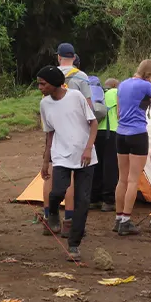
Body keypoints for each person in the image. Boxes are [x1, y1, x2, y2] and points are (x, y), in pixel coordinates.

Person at [37, 65, 97, 262]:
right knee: (57, 191)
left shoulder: (76, 97)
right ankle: (52, 212)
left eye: (43, 84)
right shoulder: (45, 104)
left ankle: (73, 245)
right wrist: (46, 160)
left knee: (83, 201)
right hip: (61, 154)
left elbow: (93, 123)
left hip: (85, 155)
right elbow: (50, 133)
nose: (40, 87)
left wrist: (88, 148)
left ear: (54, 83)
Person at [114, 59, 151, 235]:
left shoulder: (122, 84)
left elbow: (118, 111)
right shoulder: (146, 87)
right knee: (133, 179)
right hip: (137, 134)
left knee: (122, 178)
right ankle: (126, 220)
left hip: (120, 133)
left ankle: (118, 218)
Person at [42, 42, 92, 235]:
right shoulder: (81, 76)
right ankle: (69, 222)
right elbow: (88, 106)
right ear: (75, 56)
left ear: (58, 57)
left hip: (53, 130)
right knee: (71, 176)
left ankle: (49, 218)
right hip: (75, 132)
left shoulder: (48, 74)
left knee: (52, 173)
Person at [90, 77, 120, 212]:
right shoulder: (116, 92)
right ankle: (108, 200)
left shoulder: (98, 95)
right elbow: (120, 113)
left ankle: (94, 199)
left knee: (97, 165)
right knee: (110, 166)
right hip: (112, 131)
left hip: (96, 132)